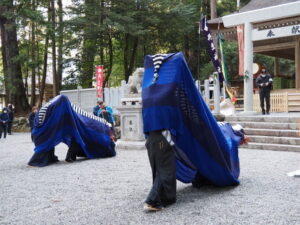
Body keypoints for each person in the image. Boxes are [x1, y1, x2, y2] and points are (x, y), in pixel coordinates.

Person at [144, 130, 176, 211]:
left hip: (151, 139)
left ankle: (163, 197)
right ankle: (152, 201)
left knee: (158, 169)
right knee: (165, 170)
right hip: (161, 138)